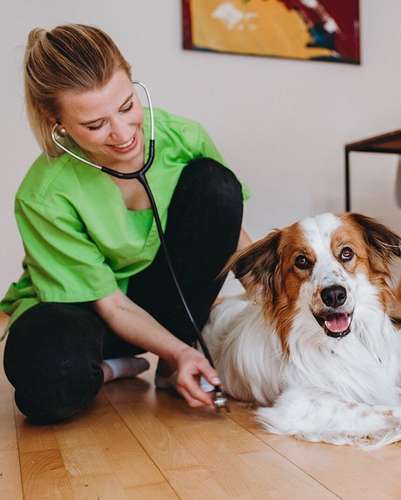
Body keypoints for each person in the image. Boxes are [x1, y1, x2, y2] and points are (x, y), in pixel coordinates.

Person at [0, 24, 252, 424]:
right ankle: (110, 368)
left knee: (218, 187)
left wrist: (276, 304)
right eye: (96, 125)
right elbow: (113, 306)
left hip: (156, 301)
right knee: (47, 380)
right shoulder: (44, 195)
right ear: (58, 122)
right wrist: (182, 352)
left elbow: (229, 232)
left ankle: (173, 358)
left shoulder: (182, 136)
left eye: (126, 106)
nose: (122, 135)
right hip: (88, 310)